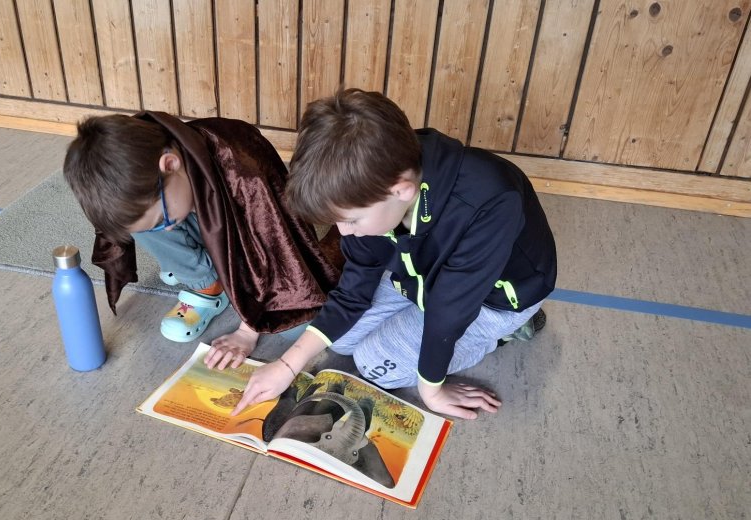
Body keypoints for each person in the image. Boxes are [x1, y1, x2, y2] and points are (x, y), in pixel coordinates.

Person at [230, 89, 557, 420]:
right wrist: (286, 365)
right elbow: (353, 291)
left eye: (351, 220)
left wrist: (432, 390)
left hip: (491, 299)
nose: (343, 232)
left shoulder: (489, 200)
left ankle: (504, 333)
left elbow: (450, 310)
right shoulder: (377, 184)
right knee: (341, 341)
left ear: (401, 191)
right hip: (418, 274)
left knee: (374, 365)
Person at [63, 111, 340, 359]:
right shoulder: (137, 173)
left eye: (163, 220)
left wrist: (247, 331)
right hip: (199, 215)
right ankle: (206, 283)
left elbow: (271, 248)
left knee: (296, 328)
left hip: (250, 235)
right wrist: (156, 224)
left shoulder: (243, 176)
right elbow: (145, 220)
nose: (167, 229)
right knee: (140, 223)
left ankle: (205, 268)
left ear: (170, 164)